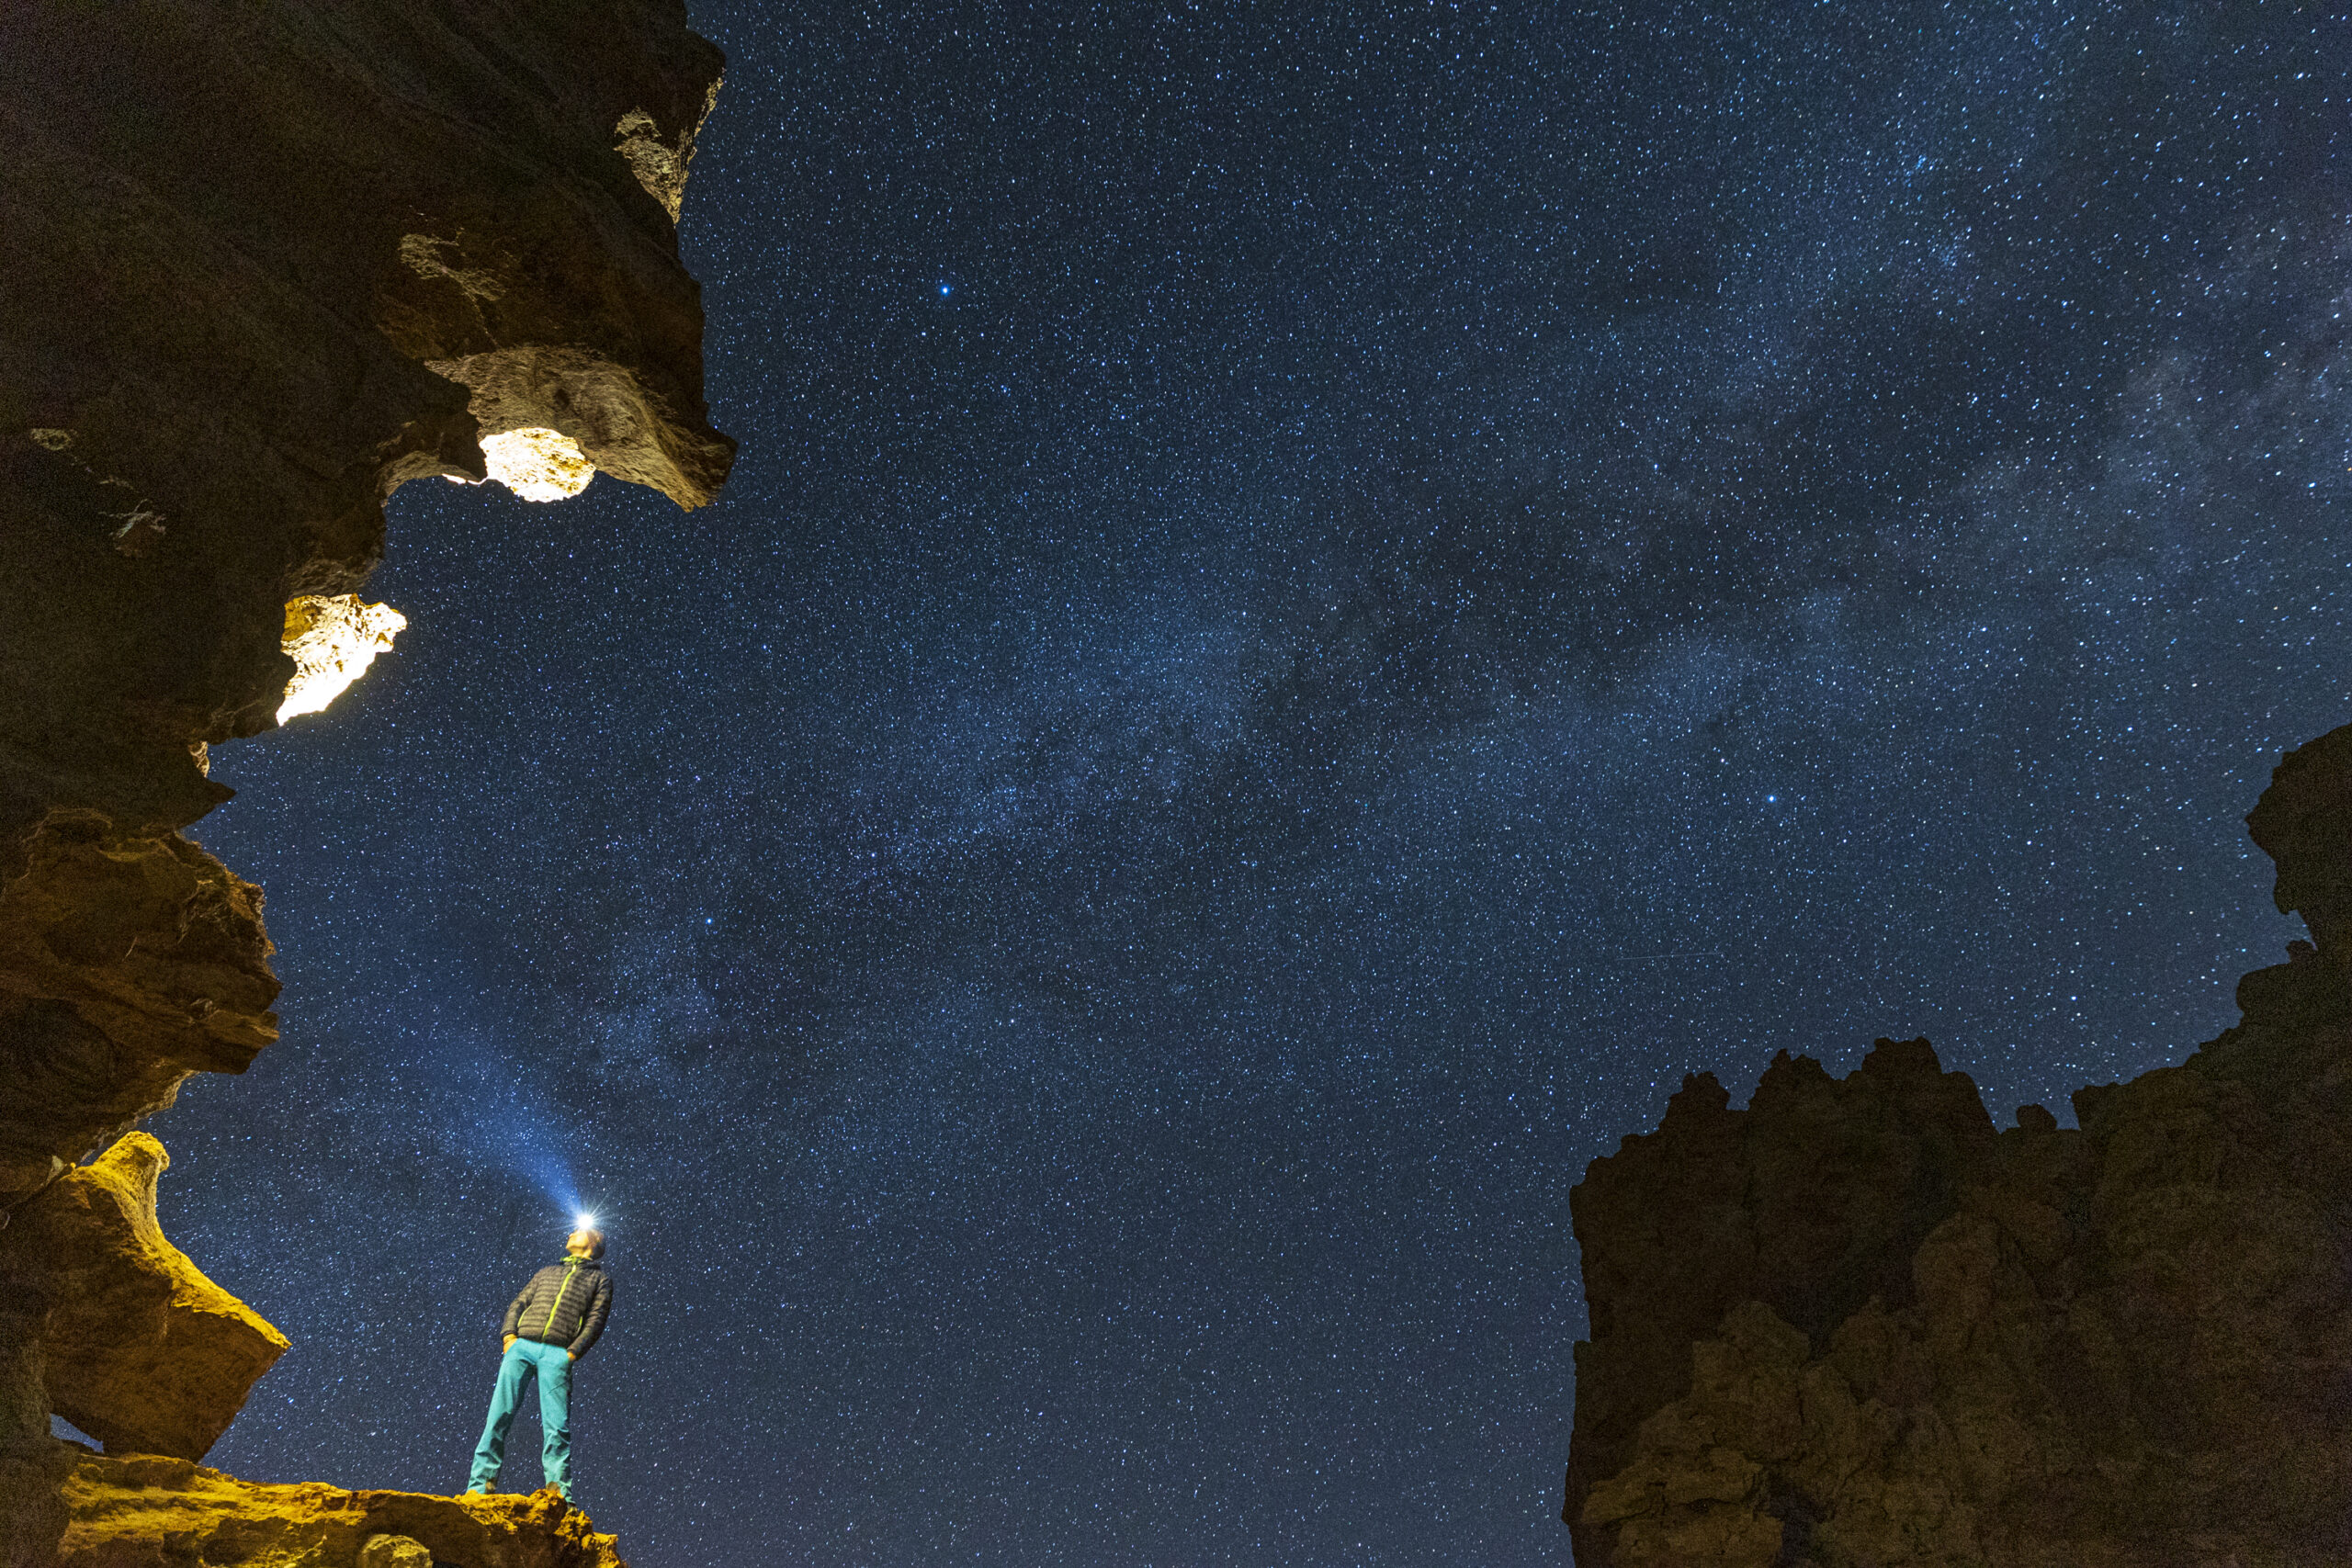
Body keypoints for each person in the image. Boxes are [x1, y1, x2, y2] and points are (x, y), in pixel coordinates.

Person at [465, 1224, 613, 1502]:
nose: (570, 1233)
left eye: (579, 1231)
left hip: (558, 1354)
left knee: (557, 1427)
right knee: (498, 1416)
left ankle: (560, 1497)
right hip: (521, 1347)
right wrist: (509, 1337)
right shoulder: (546, 1272)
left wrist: (572, 1353)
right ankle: (479, 1487)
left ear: (592, 1245)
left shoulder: (600, 1280)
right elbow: (519, 1303)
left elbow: (596, 1320)